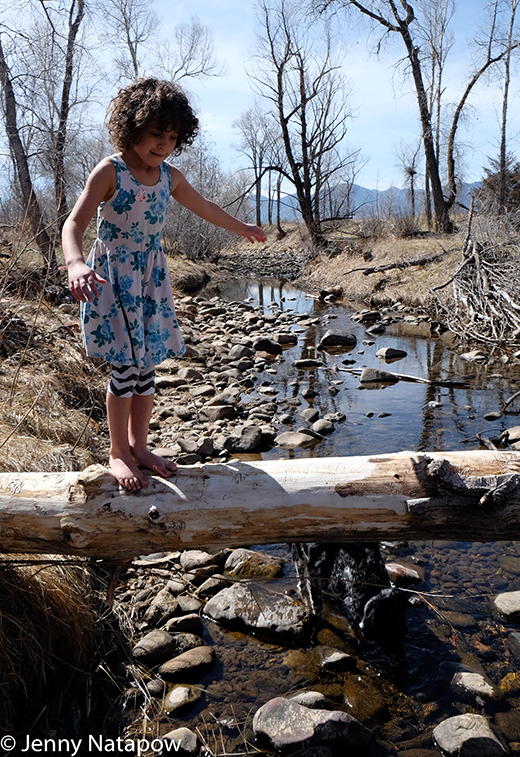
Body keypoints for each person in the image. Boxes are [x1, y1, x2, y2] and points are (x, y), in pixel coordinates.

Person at [62, 78, 266, 491]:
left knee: (147, 366)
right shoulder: (111, 170)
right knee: (124, 366)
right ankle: (117, 452)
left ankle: (140, 446)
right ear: (132, 127)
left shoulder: (169, 176)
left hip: (151, 282)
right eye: (156, 133)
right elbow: (74, 223)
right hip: (114, 278)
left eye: (172, 136)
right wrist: (76, 263)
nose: (164, 144)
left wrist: (241, 226)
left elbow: (205, 206)